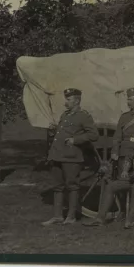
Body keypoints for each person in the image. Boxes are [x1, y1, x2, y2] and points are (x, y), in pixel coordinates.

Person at [42, 88, 98, 226]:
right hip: (57, 155)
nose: (66, 102)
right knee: (58, 186)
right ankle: (57, 216)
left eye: (69, 99)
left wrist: (75, 140)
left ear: (77, 100)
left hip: (71, 156)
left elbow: (93, 135)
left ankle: (71, 216)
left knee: (72, 186)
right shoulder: (65, 115)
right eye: (66, 99)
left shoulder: (84, 116)